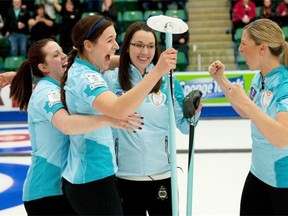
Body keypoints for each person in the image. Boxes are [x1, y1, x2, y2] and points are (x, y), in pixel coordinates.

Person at [8, 38, 142, 215]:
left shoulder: (64, 85)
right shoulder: (47, 93)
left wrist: (133, 57)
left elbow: (99, 61)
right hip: (46, 194)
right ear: (44, 68)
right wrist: (109, 119)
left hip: (62, 187)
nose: (64, 56)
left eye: (62, 51)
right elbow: (67, 125)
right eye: (56, 55)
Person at [60, 15, 177, 215]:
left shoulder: (86, 69)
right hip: (92, 178)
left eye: (116, 39)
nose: (116, 46)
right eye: (109, 40)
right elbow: (118, 109)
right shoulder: (87, 78)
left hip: (96, 174)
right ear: (88, 45)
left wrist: (140, 59)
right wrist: (156, 72)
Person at [103, 21, 200, 216]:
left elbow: (183, 126)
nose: (144, 52)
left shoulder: (169, 81)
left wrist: (194, 115)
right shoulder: (110, 80)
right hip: (124, 177)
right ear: (127, 46)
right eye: (138, 45)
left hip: (163, 175)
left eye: (150, 46)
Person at [208, 18, 288, 215]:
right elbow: (245, 111)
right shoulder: (260, 76)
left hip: (282, 181)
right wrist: (221, 79)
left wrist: (246, 103)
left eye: (244, 43)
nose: (240, 49)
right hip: (258, 173)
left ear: (262, 49)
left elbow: (282, 138)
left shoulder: (285, 84)